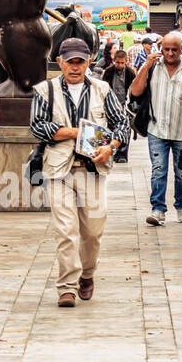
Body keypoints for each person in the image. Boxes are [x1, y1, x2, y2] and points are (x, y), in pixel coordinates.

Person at [30, 37, 128, 307]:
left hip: (93, 170)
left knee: (93, 232)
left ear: (89, 63)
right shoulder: (44, 91)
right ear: (59, 63)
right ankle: (67, 287)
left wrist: (111, 147)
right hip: (59, 171)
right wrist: (77, 132)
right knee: (66, 231)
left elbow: (122, 124)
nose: (75, 67)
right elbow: (38, 126)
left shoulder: (102, 89)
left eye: (80, 62)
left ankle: (87, 273)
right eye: (70, 62)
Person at [130, 31, 182, 225]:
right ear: (161, 49)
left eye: (174, 49)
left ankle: (181, 205)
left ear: (181, 49)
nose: (170, 53)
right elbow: (135, 91)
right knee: (158, 170)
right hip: (157, 129)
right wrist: (146, 65)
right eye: (166, 49)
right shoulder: (153, 67)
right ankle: (158, 210)